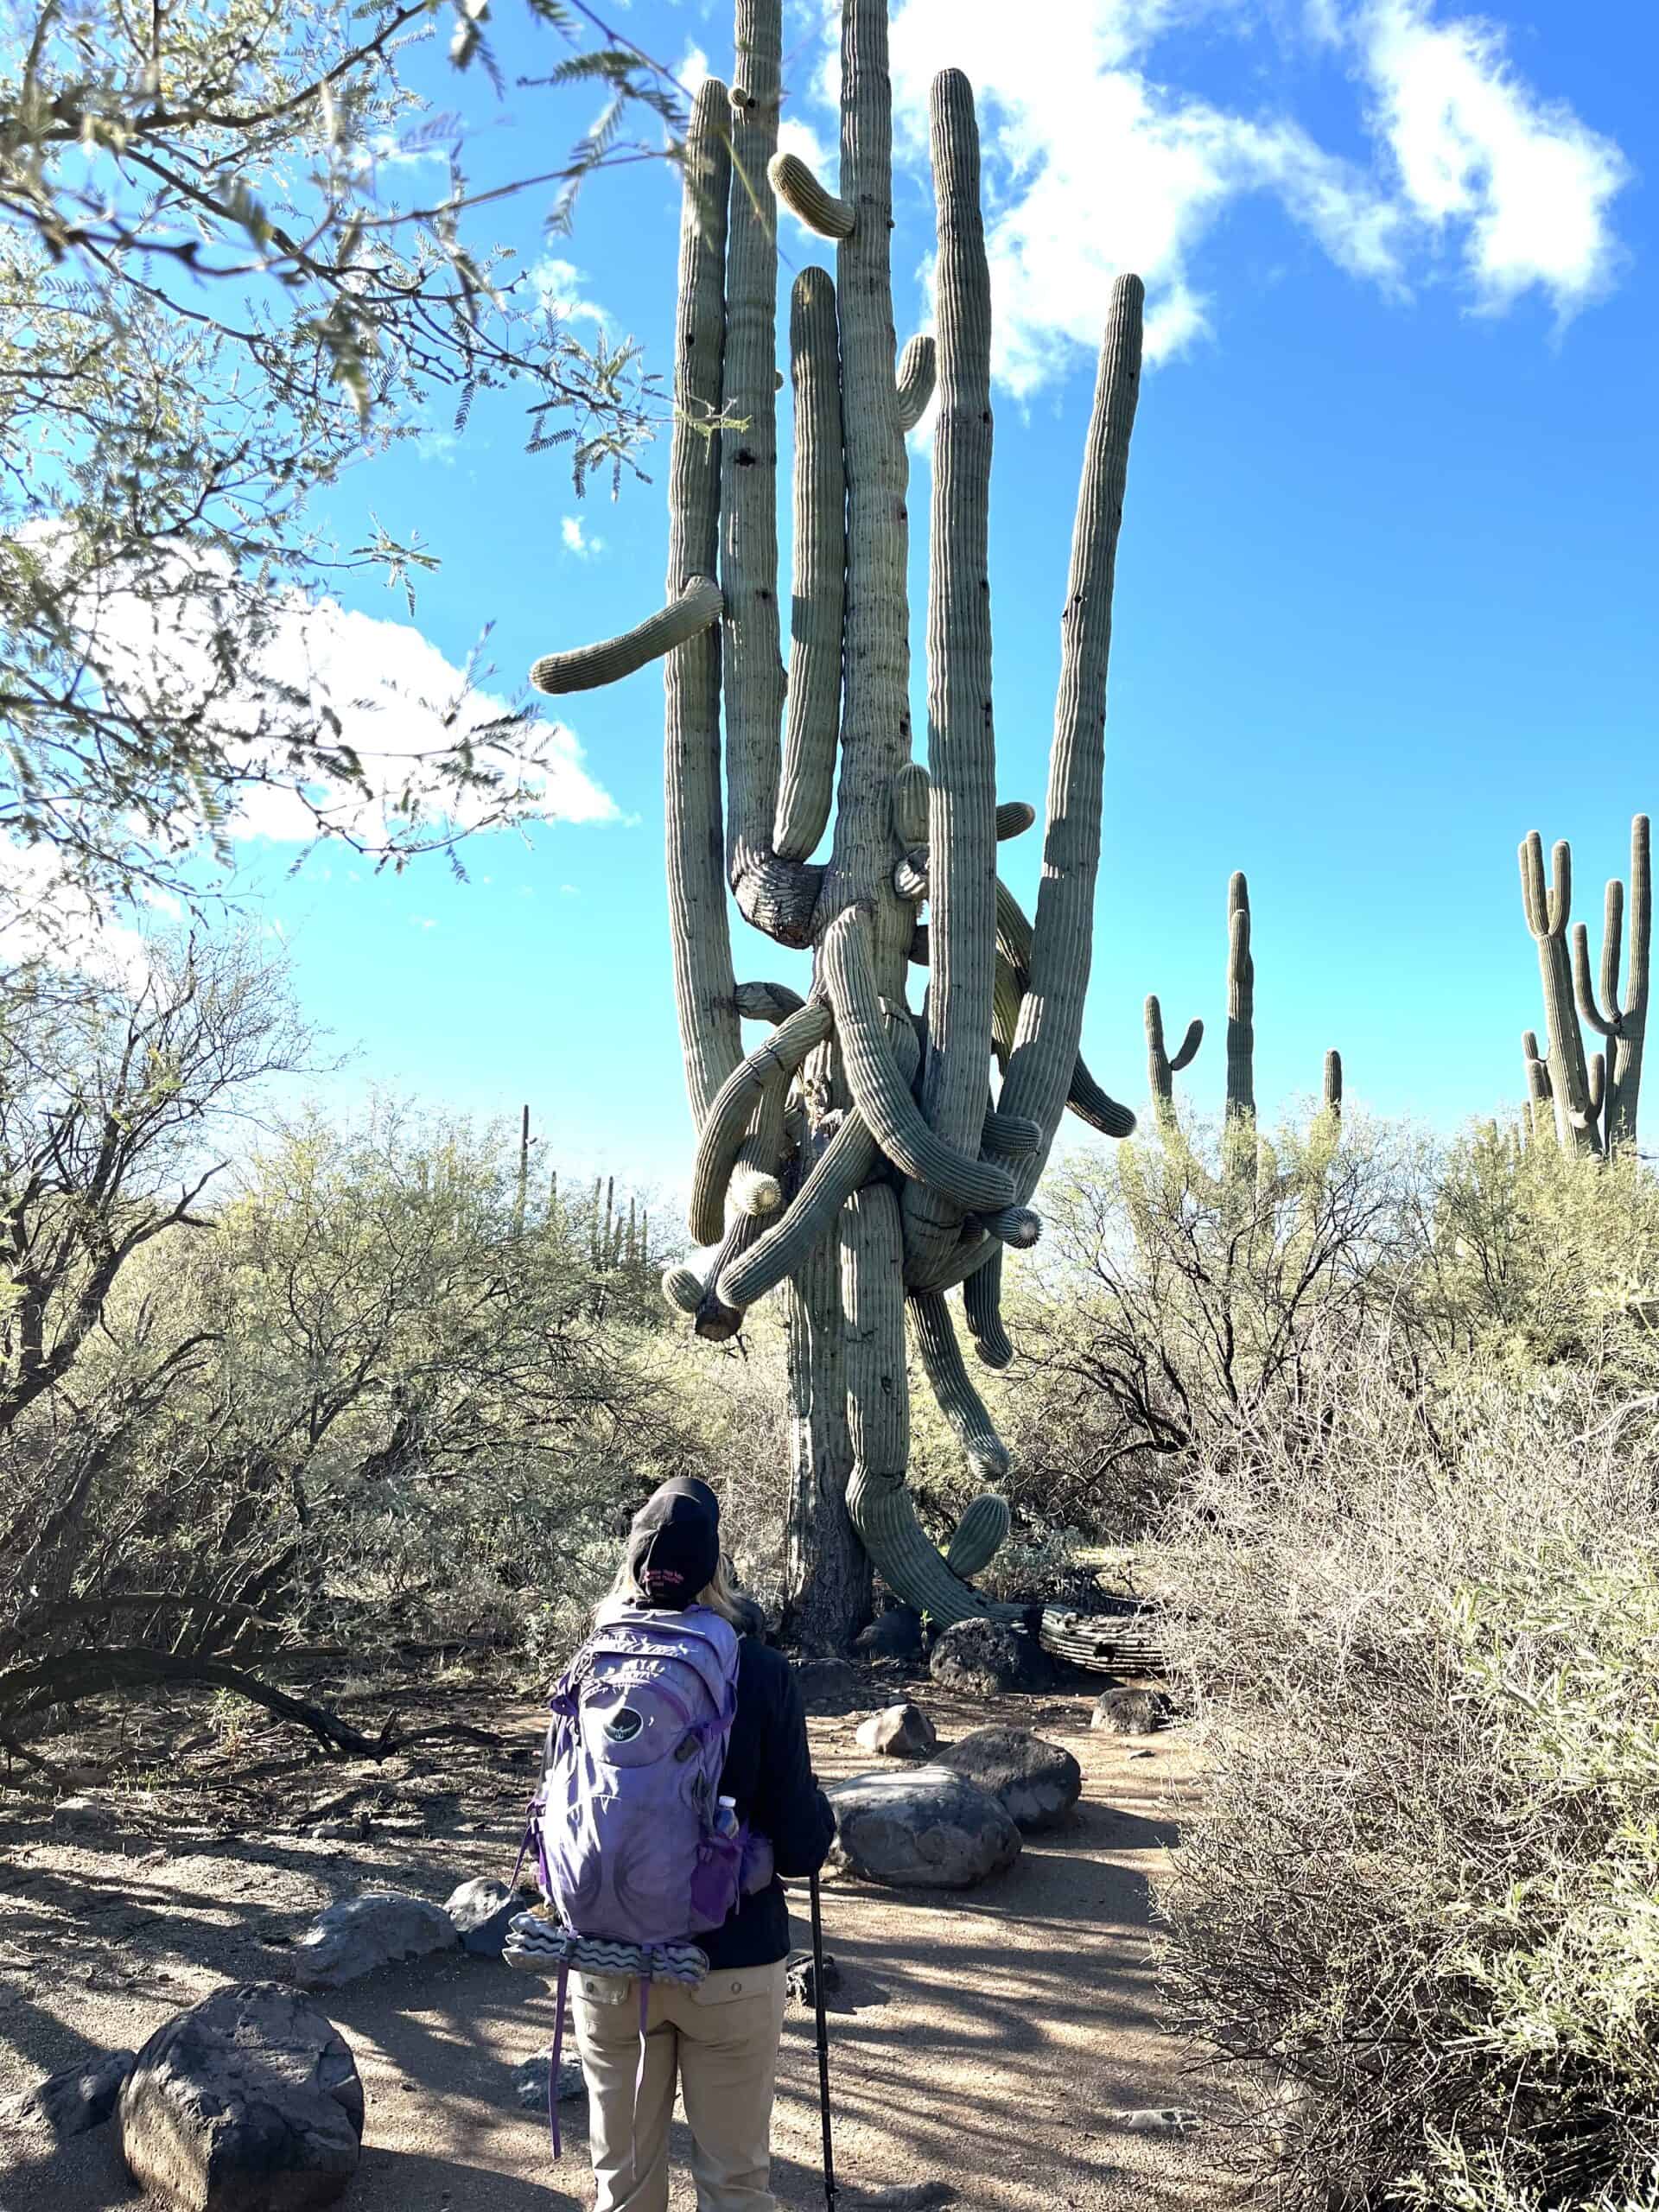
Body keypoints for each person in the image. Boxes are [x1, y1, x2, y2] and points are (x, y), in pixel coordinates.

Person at [571, 1476, 835, 2212]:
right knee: (735, 2184)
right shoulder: (759, 1671)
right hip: (733, 1960)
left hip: (609, 1959)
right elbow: (801, 1850)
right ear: (718, 1569)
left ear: (631, 1565)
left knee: (622, 2188)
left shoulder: (594, 1663)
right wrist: (821, 1816)